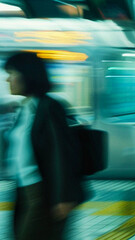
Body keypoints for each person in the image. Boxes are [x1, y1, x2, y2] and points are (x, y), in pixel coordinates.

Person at [4, 52, 86, 239]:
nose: (8, 79)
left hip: (43, 192)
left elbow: (61, 153)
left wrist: (63, 197)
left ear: (28, 75)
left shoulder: (50, 107)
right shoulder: (24, 108)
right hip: (24, 190)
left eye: (12, 73)